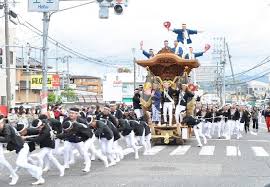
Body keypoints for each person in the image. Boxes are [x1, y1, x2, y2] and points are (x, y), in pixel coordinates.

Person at [0, 115, 44, 185]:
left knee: (20, 163)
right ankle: (40, 178)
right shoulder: (5, 127)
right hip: (20, 147)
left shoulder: (7, 127)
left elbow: (6, 139)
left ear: (2, 123)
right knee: (25, 165)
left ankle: (37, 169)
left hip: (23, 147)